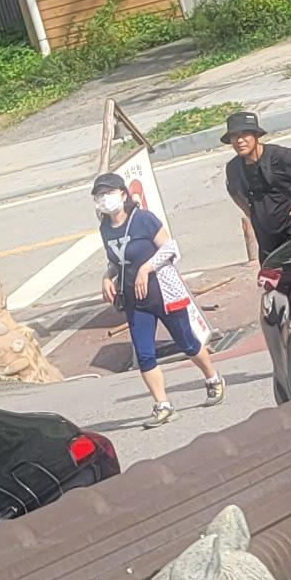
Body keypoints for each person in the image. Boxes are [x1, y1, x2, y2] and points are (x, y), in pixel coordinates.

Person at [92, 169, 225, 428]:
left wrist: (146, 268)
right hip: (135, 300)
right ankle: (162, 404)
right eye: (99, 195)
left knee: (187, 343)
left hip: (163, 293)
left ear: (123, 194)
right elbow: (116, 260)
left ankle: (212, 377)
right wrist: (107, 277)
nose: (105, 198)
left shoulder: (143, 219)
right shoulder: (105, 228)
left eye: (109, 192)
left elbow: (170, 248)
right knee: (144, 354)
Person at [223, 110, 291, 267]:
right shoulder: (233, 168)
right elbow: (234, 192)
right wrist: (254, 215)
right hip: (267, 243)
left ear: (256, 135)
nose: (240, 140)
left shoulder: (279, 156)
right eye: (234, 136)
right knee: (272, 280)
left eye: (245, 134)